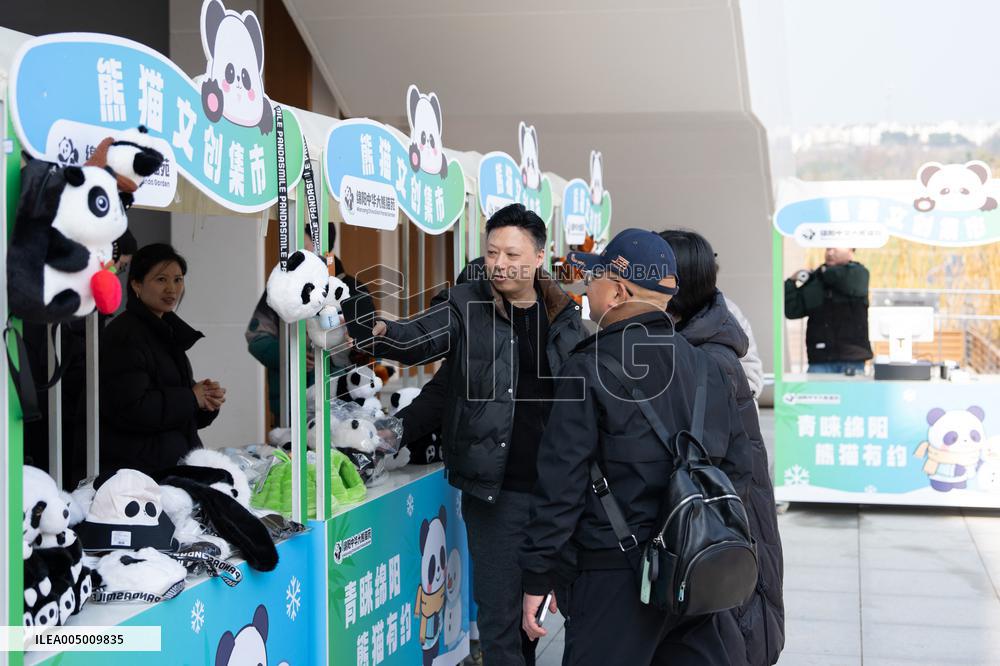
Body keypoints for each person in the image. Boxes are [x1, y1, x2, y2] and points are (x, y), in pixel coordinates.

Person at [349, 204, 586, 666]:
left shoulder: (564, 315)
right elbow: (415, 339)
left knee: (554, 612)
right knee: (500, 620)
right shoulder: (465, 305)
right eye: (492, 251)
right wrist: (376, 330)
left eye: (511, 252)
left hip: (563, 494)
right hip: (498, 495)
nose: (499, 263)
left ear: (539, 256)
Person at [519, 228, 754, 665]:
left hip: (614, 577)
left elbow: (561, 484)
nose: (585, 288)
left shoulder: (586, 368)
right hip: (697, 574)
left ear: (618, 291)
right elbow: (738, 471)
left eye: (595, 278)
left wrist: (538, 575)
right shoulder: (710, 367)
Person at [660, 229, 785, 665]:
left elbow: (716, 464)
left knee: (728, 612)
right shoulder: (706, 327)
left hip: (724, 515)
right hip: (734, 509)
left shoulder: (705, 357)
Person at [99, 244, 226, 474]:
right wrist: (191, 397)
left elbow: (176, 413)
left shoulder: (165, 330)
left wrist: (205, 402)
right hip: (139, 474)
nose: (172, 289)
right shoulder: (125, 335)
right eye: (161, 279)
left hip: (169, 465)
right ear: (136, 284)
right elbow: (133, 409)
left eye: (178, 279)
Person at [246, 222, 370, 423]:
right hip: (290, 405)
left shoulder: (352, 289)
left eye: (302, 244)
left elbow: (370, 347)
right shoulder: (281, 289)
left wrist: (348, 347)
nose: (295, 251)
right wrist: (290, 355)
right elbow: (256, 337)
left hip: (343, 405)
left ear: (321, 246)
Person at [784, 247, 872, 374]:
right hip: (819, 358)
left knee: (852, 394)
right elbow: (793, 310)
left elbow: (844, 280)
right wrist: (791, 283)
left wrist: (821, 272)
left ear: (851, 251)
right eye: (828, 249)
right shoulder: (816, 278)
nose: (830, 253)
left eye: (835, 249)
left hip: (851, 358)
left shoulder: (859, 273)